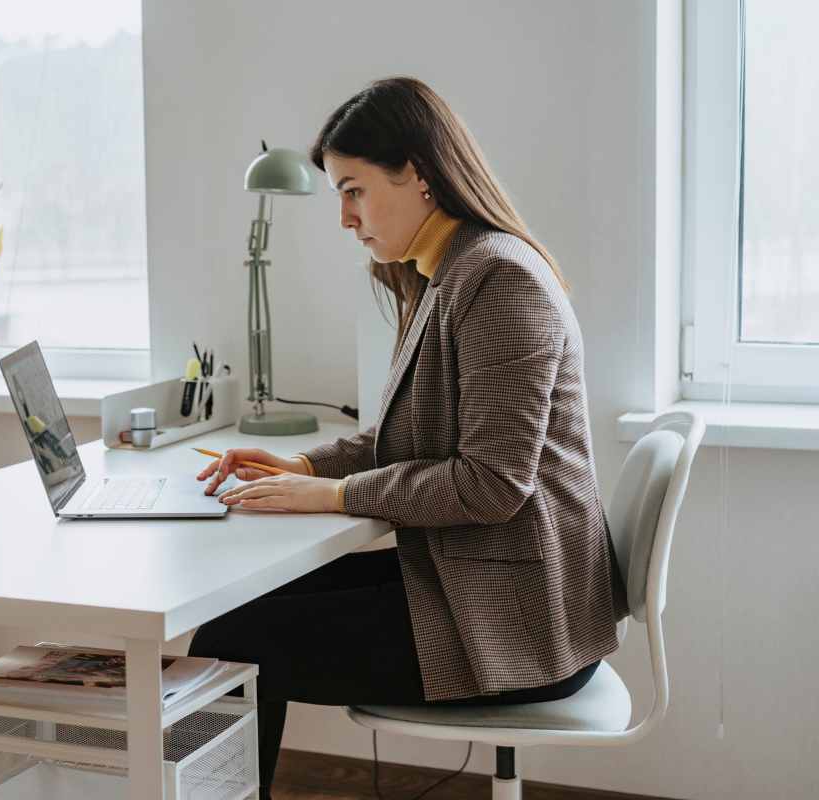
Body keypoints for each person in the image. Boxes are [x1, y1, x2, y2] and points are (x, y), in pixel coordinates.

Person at [191, 77, 630, 799]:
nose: (343, 217)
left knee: (231, 645)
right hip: (476, 581)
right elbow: (408, 436)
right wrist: (301, 464)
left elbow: (490, 483)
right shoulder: (444, 274)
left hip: (519, 621)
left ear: (419, 176)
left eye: (354, 189)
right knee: (234, 617)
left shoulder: (498, 279)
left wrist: (332, 494)